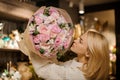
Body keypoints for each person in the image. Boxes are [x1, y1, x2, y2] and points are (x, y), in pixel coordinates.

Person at [18, 28, 110, 80]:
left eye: (80, 41)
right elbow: (57, 67)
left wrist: (33, 45)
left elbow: (44, 70)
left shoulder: (77, 75)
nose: (75, 40)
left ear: (88, 53)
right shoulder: (78, 65)